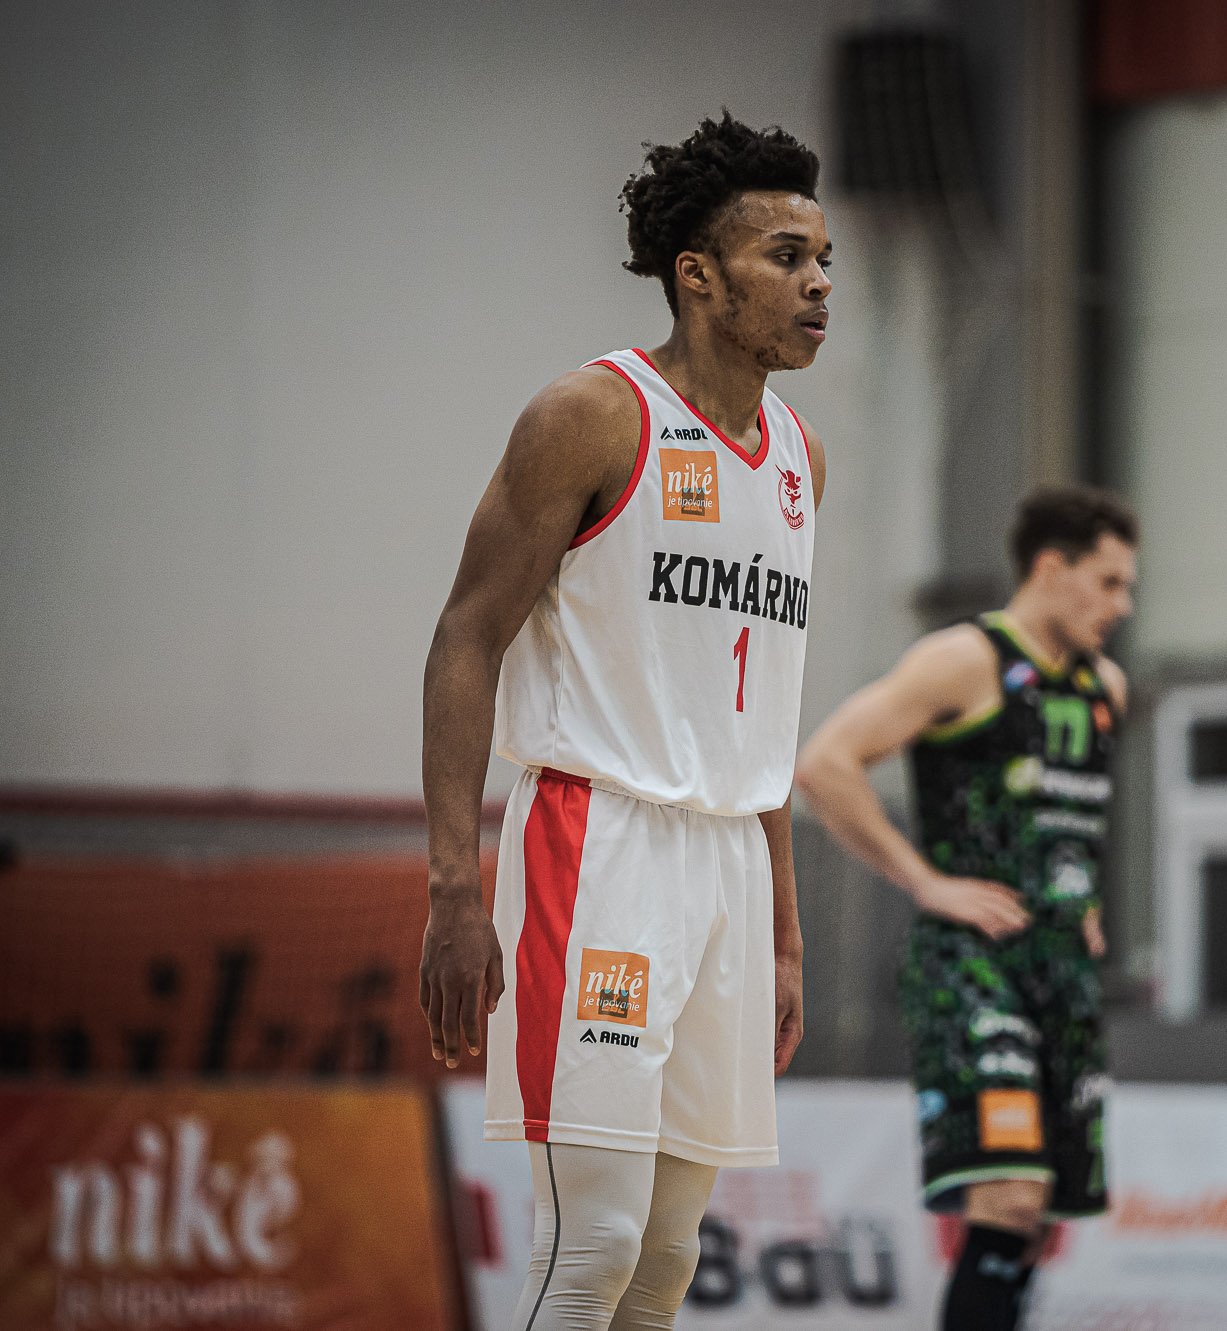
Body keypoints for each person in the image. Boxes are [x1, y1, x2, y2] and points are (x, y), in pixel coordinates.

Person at [417, 113, 831, 1330]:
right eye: (786, 258)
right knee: (589, 1242)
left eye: (824, 261)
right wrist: (452, 886)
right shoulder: (593, 414)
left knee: (665, 1257)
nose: (818, 284)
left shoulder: (801, 458)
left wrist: (784, 933)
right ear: (697, 275)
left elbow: (758, 716)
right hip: (598, 846)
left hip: (730, 863)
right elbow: (465, 637)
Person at [796, 487, 1137, 1331]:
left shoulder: (1106, 685)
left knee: (1037, 1216)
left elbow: (1072, 815)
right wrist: (924, 880)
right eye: (1108, 582)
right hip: (973, 963)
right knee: (1008, 1193)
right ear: (1051, 568)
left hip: (1062, 967)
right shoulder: (963, 658)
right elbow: (826, 762)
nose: (1122, 605)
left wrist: (1085, 904)